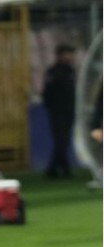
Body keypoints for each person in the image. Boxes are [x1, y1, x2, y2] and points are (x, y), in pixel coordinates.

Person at [43, 44, 77, 179]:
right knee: (61, 140)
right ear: (60, 55)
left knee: (64, 141)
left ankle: (56, 169)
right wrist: (52, 108)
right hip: (57, 112)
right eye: (68, 53)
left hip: (69, 111)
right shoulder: (53, 72)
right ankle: (59, 169)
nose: (71, 57)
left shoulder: (71, 71)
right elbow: (47, 93)